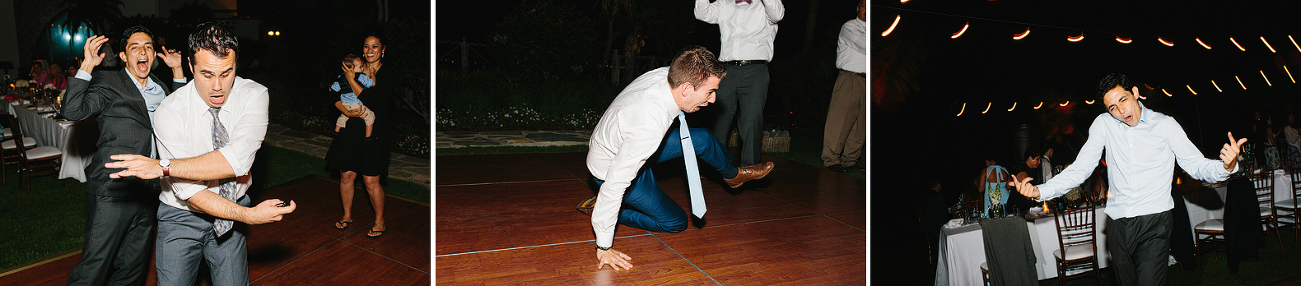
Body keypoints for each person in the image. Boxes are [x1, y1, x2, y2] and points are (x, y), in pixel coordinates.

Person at [101, 22, 295, 286]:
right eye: (206, 74)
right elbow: (192, 196)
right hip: (181, 215)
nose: (217, 86)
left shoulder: (254, 95)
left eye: (227, 73)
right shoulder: (169, 111)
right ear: (190, 67)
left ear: (237, 64)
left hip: (232, 210)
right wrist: (249, 216)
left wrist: (163, 166)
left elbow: (235, 161)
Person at [1011, 72, 1246, 286]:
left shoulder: (1164, 125)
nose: (1121, 111)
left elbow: (1195, 164)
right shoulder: (1104, 125)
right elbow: (1081, 168)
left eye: (1123, 100)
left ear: (1135, 92)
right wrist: (1040, 192)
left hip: (1155, 220)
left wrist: (1226, 166)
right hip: (1118, 223)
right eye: (1112, 107)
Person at [580, 46, 775, 271]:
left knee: (701, 138)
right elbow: (615, 184)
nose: (713, 100)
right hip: (611, 169)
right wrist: (603, 247)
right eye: (709, 92)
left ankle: (734, 175)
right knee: (675, 222)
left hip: (628, 145)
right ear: (687, 89)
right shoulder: (648, 125)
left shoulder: (669, 75)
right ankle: (608, 210)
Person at [61, 25, 187, 286]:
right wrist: (87, 65)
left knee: (133, 268)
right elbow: (73, 110)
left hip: (149, 190)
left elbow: (181, 117)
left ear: (153, 56)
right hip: (113, 189)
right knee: (94, 268)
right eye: (135, 47)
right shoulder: (109, 83)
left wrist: (177, 71)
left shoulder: (160, 88)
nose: (143, 52)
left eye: (148, 47)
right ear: (123, 56)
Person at [693, 0, 785, 166]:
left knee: (751, 120)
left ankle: (750, 168)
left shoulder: (765, 5)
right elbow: (701, 13)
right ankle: (717, 166)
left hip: (755, 71)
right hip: (727, 70)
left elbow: (778, 14)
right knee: (721, 120)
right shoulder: (725, 4)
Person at [325, 30, 394, 238]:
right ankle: (347, 215)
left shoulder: (387, 74)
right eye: (366, 46)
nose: (370, 50)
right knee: (346, 175)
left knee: (371, 180)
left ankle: (380, 221)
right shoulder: (353, 66)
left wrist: (350, 78)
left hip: (374, 131)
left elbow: (371, 100)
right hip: (351, 129)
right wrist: (344, 109)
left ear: (383, 50)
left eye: (375, 46)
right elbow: (333, 92)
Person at [820, 0, 866, 173]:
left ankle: (850, 159)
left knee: (862, 124)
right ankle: (831, 159)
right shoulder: (850, 27)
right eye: (863, 6)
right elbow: (864, 46)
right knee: (840, 119)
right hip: (850, 78)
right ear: (857, 8)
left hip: (868, 81)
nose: (866, 10)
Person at [331, 54, 375, 138]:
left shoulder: (341, 77)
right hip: (356, 104)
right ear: (351, 69)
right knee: (370, 116)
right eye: (360, 67)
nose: (362, 69)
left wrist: (331, 86)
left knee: (344, 116)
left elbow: (334, 87)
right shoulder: (361, 76)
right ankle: (368, 136)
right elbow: (372, 83)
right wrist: (372, 74)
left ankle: (336, 131)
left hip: (344, 104)